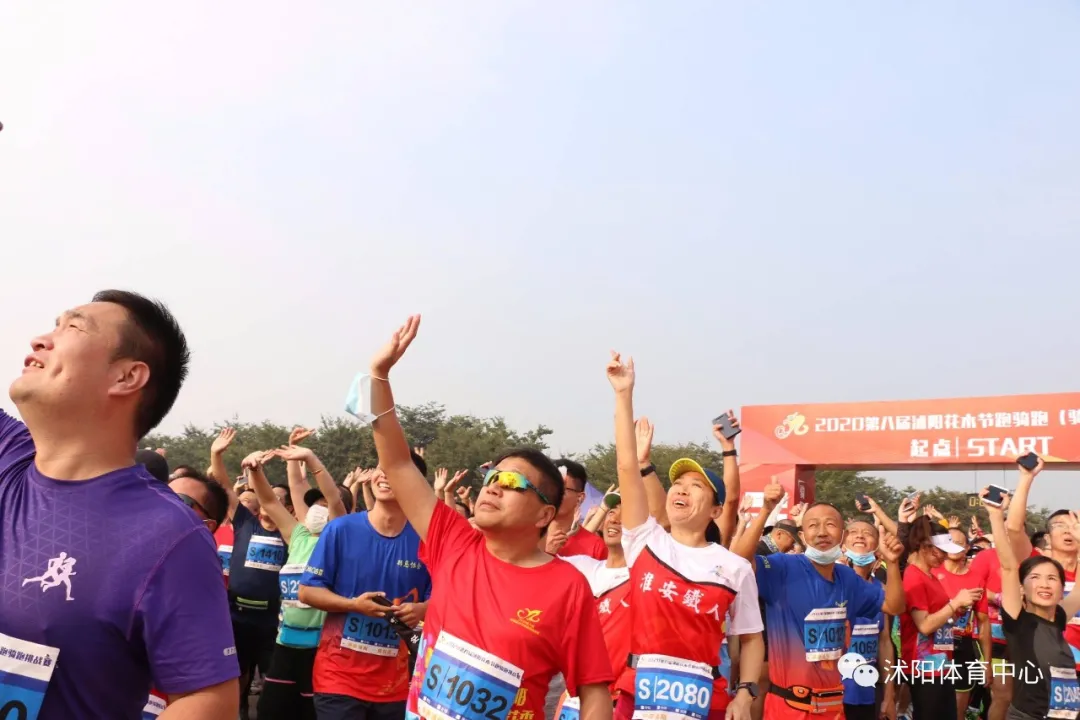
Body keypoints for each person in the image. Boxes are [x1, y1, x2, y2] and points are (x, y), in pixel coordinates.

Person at [362, 315, 615, 720]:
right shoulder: (454, 541)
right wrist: (378, 376)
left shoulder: (568, 587)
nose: (493, 486)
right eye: (492, 476)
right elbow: (398, 463)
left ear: (545, 513)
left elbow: (593, 691)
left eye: (512, 482)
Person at [0, 290, 238, 718]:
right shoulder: (8, 456)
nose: (40, 339)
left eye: (71, 327)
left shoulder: (168, 535)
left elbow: (209, 701)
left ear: (127, 377)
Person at [607, 352, 764, 720]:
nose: (681, 489)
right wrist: (623, 393)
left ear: (714, 510)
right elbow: (627, 467)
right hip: (637, 695)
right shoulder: (645, 540)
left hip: (705, 699)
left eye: (696, 486)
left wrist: (746, 694)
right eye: (677, 483)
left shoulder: (734, 568)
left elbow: (752, 636)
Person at [732, 483, 906, 720]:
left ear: (842, 536)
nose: (822, 532)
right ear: (802, 536)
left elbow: (894, 606)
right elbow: (739, 562)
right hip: (788, 707)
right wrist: (765, 510)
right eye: (813, 525)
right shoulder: (784, 567)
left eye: (830, 524)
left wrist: (893, 563)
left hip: (834, 708)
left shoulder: (848, 579)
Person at [299, 453, 432, 720]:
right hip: (337, 676)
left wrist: (422, 609)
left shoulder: (427, 542)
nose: (383, 474)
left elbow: (448, 597)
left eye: (393, 469)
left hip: (397, 683)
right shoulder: (340, 530)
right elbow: (307, 591)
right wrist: (353, 605)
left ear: (414, 483)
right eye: (380, 469)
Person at [247, 440, 349, 720]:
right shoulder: (299, 536)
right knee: (270, 711)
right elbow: (268, 500)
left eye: (322, 504)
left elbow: (336, 501)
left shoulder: (342, 539)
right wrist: (255, 470)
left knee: (309, 713)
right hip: (285, 643)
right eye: (313, 504)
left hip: (321, 649)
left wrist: (312, 461)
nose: (317, 509)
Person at [205, 426, 288, 716]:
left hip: (271, 620)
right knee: (237, 673)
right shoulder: (244, 522)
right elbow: (223, 487)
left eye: (277, 500)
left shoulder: (291, 533)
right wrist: (216, 454)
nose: (270, 503)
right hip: (237, 615)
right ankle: (236, 711)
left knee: (272, 678)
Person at [983, 488, 1080, 720]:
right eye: (1035, 578)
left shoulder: (1058, 620)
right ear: (1022, 588)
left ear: (1060, 589)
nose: (1045, 585)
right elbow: (1008, 567)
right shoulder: (1018, 622)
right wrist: (996, 516)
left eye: (1052, 579)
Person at [900, 516, 980, 719]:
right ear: (924, 545)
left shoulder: (931, 576)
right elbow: (925, 625)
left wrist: (956, 609)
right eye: (941, 551)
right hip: (924, 667)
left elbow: (937, 615)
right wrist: (954, 603)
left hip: (942, 664)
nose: (944, 557)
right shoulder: (913, 577)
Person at [840, 519, 896, 720]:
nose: (860, 535)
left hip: (867, 691)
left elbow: (885, 642)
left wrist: (889, 694)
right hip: (833, 692)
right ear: (843, 544)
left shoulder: (882, 590)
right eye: (853, 532)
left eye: (867, 533)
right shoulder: (832, 584)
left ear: (877, 548)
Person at [930, 526, 982, 720]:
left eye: (959, 542)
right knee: (931, 706)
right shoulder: (931, 572)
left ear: (967, 548)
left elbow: (982, 621)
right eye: (949, 541)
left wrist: (985, 662)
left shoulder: (976, 578)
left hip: (963, 646)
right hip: (934, 645)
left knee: (957, 712)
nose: (953, 546)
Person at [549, 458, 609, 560]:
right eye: (549, 487)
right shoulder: (527, 539)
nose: (553, 493)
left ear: (580, 498)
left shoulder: (596, 548)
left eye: (561, 489)